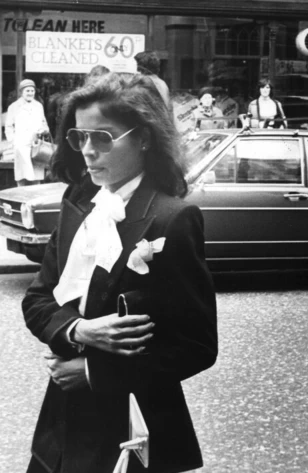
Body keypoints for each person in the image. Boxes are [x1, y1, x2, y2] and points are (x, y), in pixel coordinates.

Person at [22, 73, 218, 473]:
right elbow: (38, 299)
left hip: (132, 426)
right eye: (80, 137)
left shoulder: (173, 219)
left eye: (103, 138)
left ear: (144, 138)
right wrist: (78, 330)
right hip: (61, 424)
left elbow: (197, 346)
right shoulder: (79, 201)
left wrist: (95, 372)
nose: (88, 152)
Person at [5, 79, 50, 186]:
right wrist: (13, 141)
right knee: (22, 175)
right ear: (21, 92)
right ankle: (22, 199)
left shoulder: (38, 106)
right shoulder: (14, 107)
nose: (30, 93)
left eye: (32, 91)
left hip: (36, 145)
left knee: (36, 174)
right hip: (21, 145)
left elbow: (44, 123)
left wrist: (44, 129)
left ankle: (35, 200)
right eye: (27, 91)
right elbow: (8, 126)